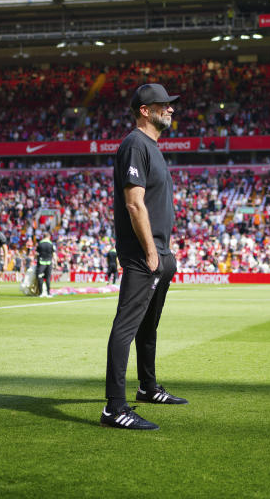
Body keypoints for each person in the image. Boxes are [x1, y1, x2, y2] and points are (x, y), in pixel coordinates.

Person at [102, 83, 187, 432]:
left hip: (159, 254)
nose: (171, 109)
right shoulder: (135, 145)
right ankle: (115, 408)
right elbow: (134, 203)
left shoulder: (151, 147)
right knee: (126, 327)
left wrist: (166, 253)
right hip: (143, 255)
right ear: (144, 110)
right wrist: (152, 252)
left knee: (148, 326)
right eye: (163, 105)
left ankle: (147, 387)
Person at [35, 232, 55, 297]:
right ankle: (48, 293)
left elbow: (36, 254)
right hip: (49, 262)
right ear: (49, 237)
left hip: (41, 262)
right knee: (48, 278)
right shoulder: (51, 244)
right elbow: (53, 254)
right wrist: (55, 262)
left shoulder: (40, 243)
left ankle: (41, 293)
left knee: (40, 277)